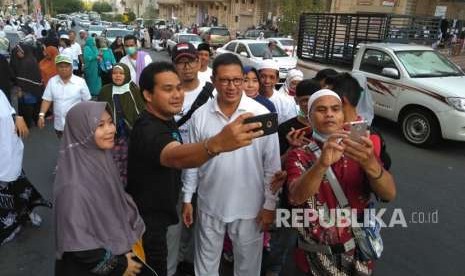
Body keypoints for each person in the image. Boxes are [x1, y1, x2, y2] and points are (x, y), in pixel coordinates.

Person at [126, 61, 265, 276]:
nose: (177, 95)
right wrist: (217, 143)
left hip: (169, 217)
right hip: (147, 226)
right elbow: (175, 156)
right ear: (147, 94)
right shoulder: (148, 129)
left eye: (179, 87)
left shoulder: (166, 119)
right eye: (167, 89)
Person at [181, 53, 281, 276]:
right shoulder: (200, 116)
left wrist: (269, 205)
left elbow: (271, 165)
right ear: (214, 81)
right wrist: (188, 198)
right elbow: (192, 161)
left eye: (237, 80)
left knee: (247, 268)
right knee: (205, 266)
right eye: (225, 80)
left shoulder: (261, 115)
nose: (232, 86)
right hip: (209, 204)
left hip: (250, 208)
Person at [286, 89, 396, 276]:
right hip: (314, 259)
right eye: (321, 109)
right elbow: (296, 197)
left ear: (343, 114)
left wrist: (370, 163)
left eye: (335, 109)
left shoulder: (358, 148)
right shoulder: (300, 154)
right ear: (309, 117)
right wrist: (321, 164)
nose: (329, 114)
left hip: (358, 256)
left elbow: (389, 194)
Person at [54, 101, 146, 276]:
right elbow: (79, 247)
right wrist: (120, 266)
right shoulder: (72, 186)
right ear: (82, 132)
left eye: (110, 122)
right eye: (100, 125)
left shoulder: (100, 159)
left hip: (115, 250)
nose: (111, 130)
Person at [166, 42, 215, 276]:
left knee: (202, 223)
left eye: (191, 61)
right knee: (175, 222)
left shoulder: (211, 92)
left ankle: (190, 261)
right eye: (181, 62)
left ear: (199, 62)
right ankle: (172, 266)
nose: (186, 67)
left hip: (204, 168)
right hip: (174, 168)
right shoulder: (167, 92)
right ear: (174, 65)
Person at [97, 63, 144, 186]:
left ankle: (131, 183)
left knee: (132, 158)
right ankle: (116, 184)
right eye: (115, 73)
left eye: (121, 73)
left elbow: (141, 110)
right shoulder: (105, 90)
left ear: (127, 75)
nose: (117, 76)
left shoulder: (134, 89)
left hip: (131, 132)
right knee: (114, 159)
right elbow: (99, 112)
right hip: (113, 132)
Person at [38, 55, 91, 138]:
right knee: (63, 148)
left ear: (71, 67)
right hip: (59, 125)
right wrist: (41, 115)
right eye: (60, 67)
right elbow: (47, 100)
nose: (63, 69)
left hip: (77, 125)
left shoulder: (80, 82)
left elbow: (87, 102)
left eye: (66, 66)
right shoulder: (52, 81)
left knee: (77, 149)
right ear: (57, 68)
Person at [10, 44, 44, 127]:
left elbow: (23, 78)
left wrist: (20, 89)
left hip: (27, 89)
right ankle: (32, 121)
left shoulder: (26, 62)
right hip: (33, 88)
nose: (18, 54)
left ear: (24, 52)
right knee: (31, 106)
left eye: (19, 52)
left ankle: (26, 124)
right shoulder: (31, 59)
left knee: (26, 107)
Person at [259, 59, 297, 124]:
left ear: (277, 80)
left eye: (271, 77)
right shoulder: (247, 98)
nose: (267, 81)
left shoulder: (286, 103)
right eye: (263, 76)